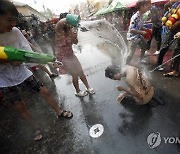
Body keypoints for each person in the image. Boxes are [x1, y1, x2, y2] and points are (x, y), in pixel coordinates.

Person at [0, 0, 73, 141]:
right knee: (19, 106)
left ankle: (59, 111)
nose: (13, 25)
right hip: (3, 79)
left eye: (14, 21)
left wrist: (50, 61)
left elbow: (28, 53)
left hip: (22, 72)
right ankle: (35, 127)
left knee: (44, 91)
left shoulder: (15, 32)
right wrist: (9, 60)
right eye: (9, 20)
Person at [55, 18, 95, 97]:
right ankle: (77, 91)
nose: (71, 28)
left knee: (81, 72)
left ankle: (88, 87)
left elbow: (75, 42)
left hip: (71, 56)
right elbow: (59, 24)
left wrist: (75, 35)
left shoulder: (70, 34)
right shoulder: (59, 35)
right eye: (69, 27)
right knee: (75, 75)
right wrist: (69, 19)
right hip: (64, 58)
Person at [126, 0, 151, 64]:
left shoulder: (141, 15)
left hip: (138, 37)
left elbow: (140, 26)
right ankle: (125, 65)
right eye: (146, 6)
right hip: (132, 38)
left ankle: (140, 60)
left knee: (144, 46)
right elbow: (131, 30)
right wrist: (142, 32)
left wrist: (146, 29)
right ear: (141, 6)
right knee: (131, 53)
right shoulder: (135, 17)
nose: (148, 7)